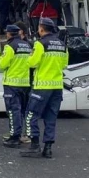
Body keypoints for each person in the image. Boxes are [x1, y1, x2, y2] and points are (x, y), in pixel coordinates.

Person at [20, 17, 68, 159]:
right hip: (57, 87)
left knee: (31, 115)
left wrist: (30, 57)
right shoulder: (62, 44)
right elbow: (65, 64)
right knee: (50, 117)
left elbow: (32, 63)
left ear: (41, 29)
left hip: (42, 87)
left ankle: (34, 145)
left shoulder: (40, 44)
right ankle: (48, 148)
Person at [0, 24, 32, 148]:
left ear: (9, 34)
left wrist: (0, 60)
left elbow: (2, 65)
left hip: (12, 83)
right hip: (24, 83)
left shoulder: (10, 46)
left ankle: (14, 137)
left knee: (13, 111)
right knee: (22, 111)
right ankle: (24, 134)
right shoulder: (27, 45)